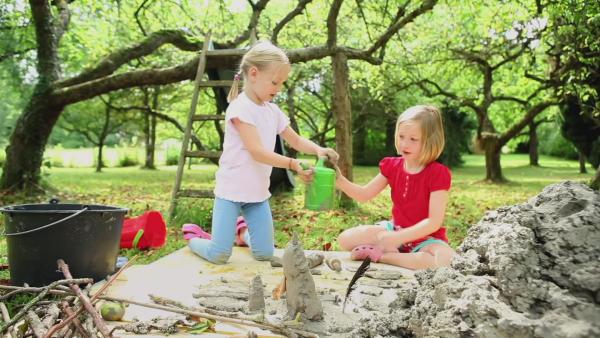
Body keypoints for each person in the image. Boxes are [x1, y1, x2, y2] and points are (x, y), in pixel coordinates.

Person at [184, 41, 339, 265]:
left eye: (282, 83)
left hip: (257, 194)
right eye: (275, 82)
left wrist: (318, 149)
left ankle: (241, 233)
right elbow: (257, 151)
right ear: (254, 73)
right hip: (230, 193)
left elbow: (294, 139)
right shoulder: (239, 108)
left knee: (264, 253)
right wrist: (293, 164)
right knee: (219, 255)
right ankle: (193, 237)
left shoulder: (272, 111)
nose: (278, 88)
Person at [335, 105, 454, 269]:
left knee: (445, 260)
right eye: (401, 136)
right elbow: (363, 194)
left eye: (413, 139)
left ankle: (383, 256)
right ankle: (396, 253)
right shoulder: (391, 166)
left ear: (430, 141)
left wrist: (400, 238)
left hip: (425, 238)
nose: (405, 144)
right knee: (345, 238)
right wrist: (339, 179)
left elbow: (434, 222)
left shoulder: (438, 173)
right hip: (393, 231)